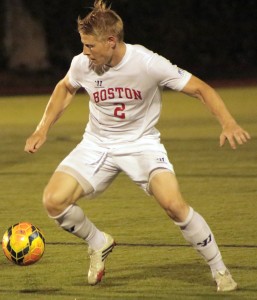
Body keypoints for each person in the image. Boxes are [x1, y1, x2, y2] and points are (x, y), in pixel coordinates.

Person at [24, 0, 250, 291]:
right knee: (53, 201)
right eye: (83, 45)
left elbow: (200, 88)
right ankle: (98, 242)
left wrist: (228, 122)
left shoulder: (147, 62)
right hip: (97, 143)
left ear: (111, 41)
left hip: (141, 144)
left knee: (174, 205)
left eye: (90, 46)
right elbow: (65, 87)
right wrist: (42, 129)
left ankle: (220, 271)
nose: (84, 52)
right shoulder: (83, 63)